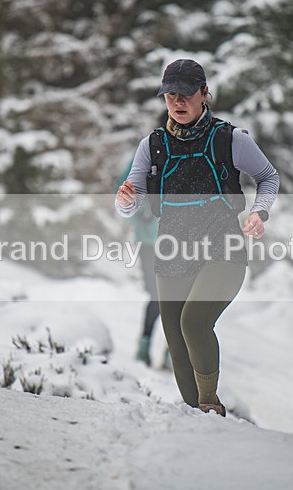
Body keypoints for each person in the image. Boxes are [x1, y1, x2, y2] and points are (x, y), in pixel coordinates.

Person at [115, 59, 279, 416]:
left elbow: (268, 177)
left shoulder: (230, 138)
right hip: (172, 246)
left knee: (193, 322)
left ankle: (209, 404)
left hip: (223, 246)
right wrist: (125, 200)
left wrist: (258, 211)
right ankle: (196, 416)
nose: (177, 101)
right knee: (175, 336)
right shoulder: (153, 145)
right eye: (170, 94)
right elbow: (132, 201)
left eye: (186, 93)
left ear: (204, 93)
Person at [116, 139, 170, 369]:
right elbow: (123, 190)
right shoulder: (145, 155)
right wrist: (142, 210)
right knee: (157, 295)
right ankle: (145, 344)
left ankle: (173, 350)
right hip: (149, 240)